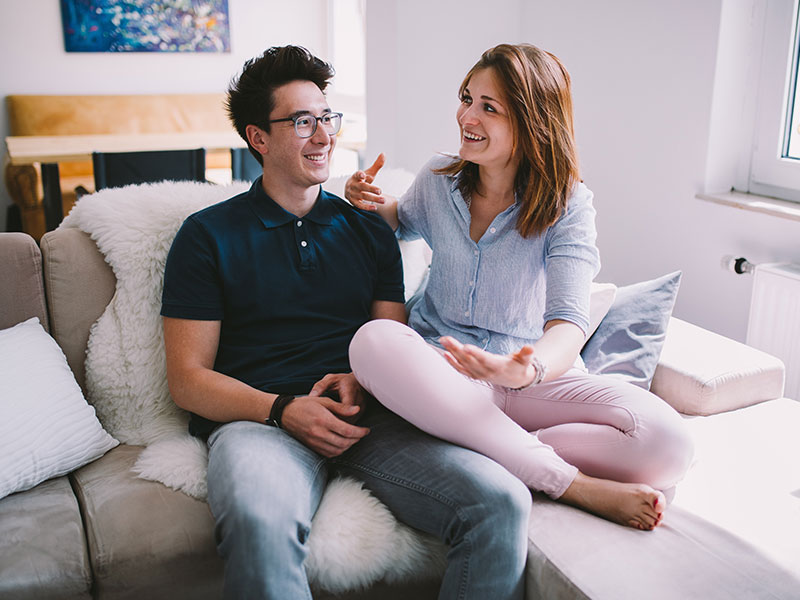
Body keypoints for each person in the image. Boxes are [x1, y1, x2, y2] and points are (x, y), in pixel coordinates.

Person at [161, 45, 531, 600]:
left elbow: (391, 340)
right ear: (259, 138)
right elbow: (187, 380)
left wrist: (362, 382)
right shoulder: (205, 235)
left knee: (500, 502)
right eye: (302, 121)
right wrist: (283, 409)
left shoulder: (367, 228)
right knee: (260, 524)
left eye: (326, 118)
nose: (323, 135)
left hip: (370, 419)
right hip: (260, 424)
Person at [345, 43, 694, 531]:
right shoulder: (438, 179)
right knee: (373, 340)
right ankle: (571, 484)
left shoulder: (568, 205)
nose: (467, 115)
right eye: (467, 98)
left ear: (532, 124)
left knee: (668, 444)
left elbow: (569, 323)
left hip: (527, 379)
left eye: (489, 107)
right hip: (439, 371)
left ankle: (484, 444)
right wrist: (364, 200)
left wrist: (524, 372)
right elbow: (399, 223)